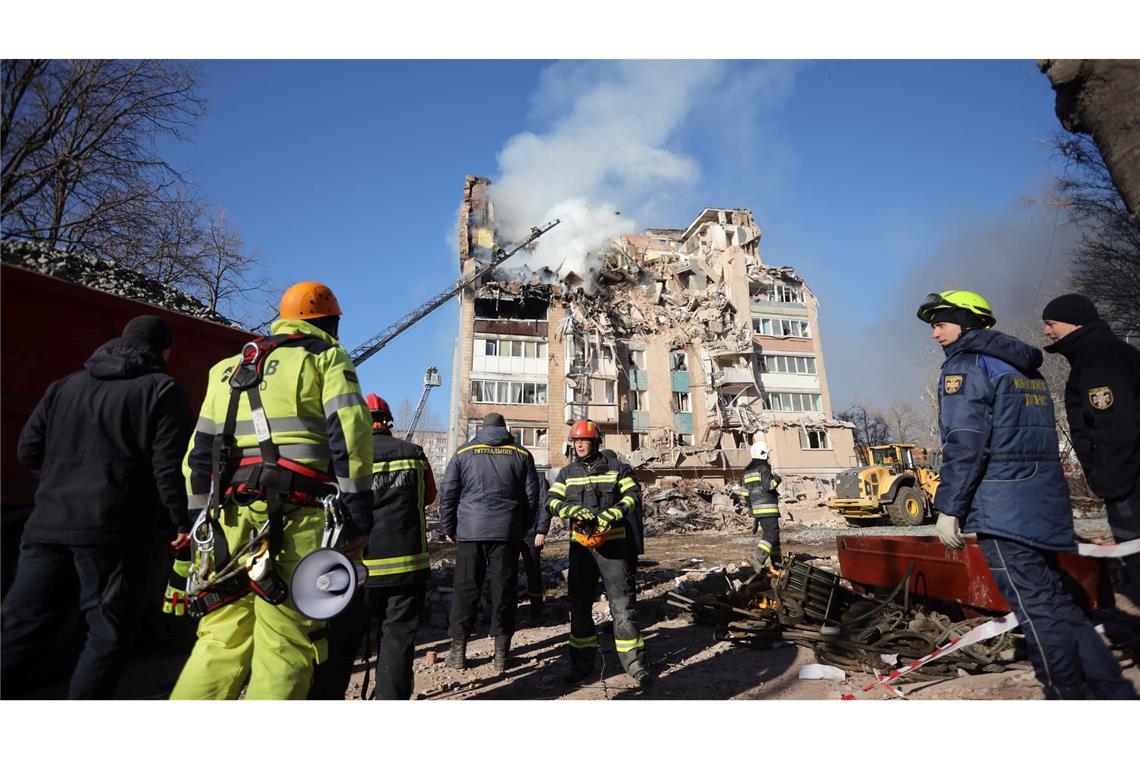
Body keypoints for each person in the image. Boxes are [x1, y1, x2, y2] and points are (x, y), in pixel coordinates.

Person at [917, 289, 1135, 699]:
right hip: (1043, 503)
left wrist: (948, 507)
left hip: (1002, 509)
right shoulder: (1023, 366)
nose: (934, 334)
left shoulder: (965, 367)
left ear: (964, 322)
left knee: (1037, 611)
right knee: (1057, 602)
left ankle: (1068, 696)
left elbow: (966, 442)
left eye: (940, 323)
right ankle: (1110, 692)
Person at [170, 281, 374, 700]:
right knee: (284, 642)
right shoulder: (327, 358)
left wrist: (196, 523)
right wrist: (358, 516)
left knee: (219, 639)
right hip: (293, 518)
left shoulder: (226, 369)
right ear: (331, 324)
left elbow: (198, 453)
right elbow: (350, 436)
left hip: (226, 521)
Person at [2, 315, 192, 699]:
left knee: (21, 629)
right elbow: (168, 469)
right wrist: (180, 522)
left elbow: (28, 450)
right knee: (106, 635)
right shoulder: (161, 389)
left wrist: (62, 484)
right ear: (165, 351)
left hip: (45, 527)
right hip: (112, 534)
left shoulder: (63, 386)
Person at [308, 394, 436, 700]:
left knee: (341, 643)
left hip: (356, 569)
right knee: (398, 638)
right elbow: (428, 497)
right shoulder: (415, 454)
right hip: (407, 567)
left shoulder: (345, 457)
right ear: (388, 422)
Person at [1042, 293, 1140, 607]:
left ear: (1074, 322)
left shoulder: (1099, 359)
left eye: (1050, 324)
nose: (1047, 332)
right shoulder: (1101, 353)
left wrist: (1111, 483)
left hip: (1129, 486)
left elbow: (1114, 427)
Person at [546, 419, 651, 687]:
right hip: (581, 550)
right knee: (579, 608)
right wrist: (571, 510)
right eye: (576, 441)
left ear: (595, 442)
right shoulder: (567, 473)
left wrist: (614, 512)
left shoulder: (618, 469)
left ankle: (635, 666)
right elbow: (551, 501)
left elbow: (633, 495)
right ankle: (582, 665)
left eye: (584, 441)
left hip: (613, 549)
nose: (579, 445)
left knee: (622, 608)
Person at [439, 412, 541, 673]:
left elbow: (449, 492)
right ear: (504, 428)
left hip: (470, 532)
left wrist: (449, 526)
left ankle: (458, 652)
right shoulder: (521, 453)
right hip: (506, 532)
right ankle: (501, 656)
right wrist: (521, 527)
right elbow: (532, 497)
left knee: (465, 590)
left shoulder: (464, 452)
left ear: (481, 429)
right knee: (503, 591)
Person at [743, 439, 782, 570]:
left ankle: (778, 564)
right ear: (763, 454)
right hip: (768, 507)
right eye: (767, 454)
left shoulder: (747, 472)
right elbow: (769, 486)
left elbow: (746, 493)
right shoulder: (763, 468)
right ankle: (758, 558)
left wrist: (751, 510)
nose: (768, 456)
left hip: (757, 508)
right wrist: (777, 479)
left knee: (773, 536)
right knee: (772, 533)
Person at [520, 472, 552, 621]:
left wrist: (541, 531)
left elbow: (545, 505)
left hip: (532, 533)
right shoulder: (509, 474)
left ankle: (536, 610)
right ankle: (508, 610)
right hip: (510, 533)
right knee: (507, 572)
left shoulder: (539, 479)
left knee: (533, 570)